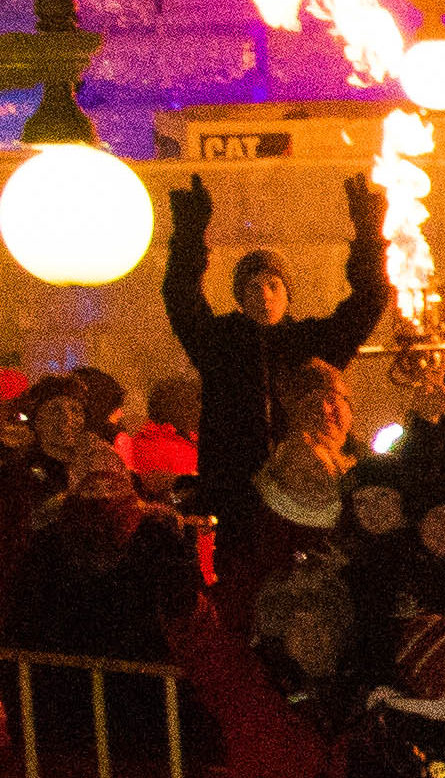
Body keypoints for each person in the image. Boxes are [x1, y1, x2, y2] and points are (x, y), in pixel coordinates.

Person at [161, 176, 394, 521]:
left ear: (287, 292)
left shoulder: (312, 343)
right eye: (253, 287)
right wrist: (189, 234)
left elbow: (370, 299)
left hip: (308, 496)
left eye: (273, 285)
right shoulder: (218, 343)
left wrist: (368, 232)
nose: (264, 295)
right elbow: (181, 296)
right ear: (240, 298)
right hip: (237, 498)